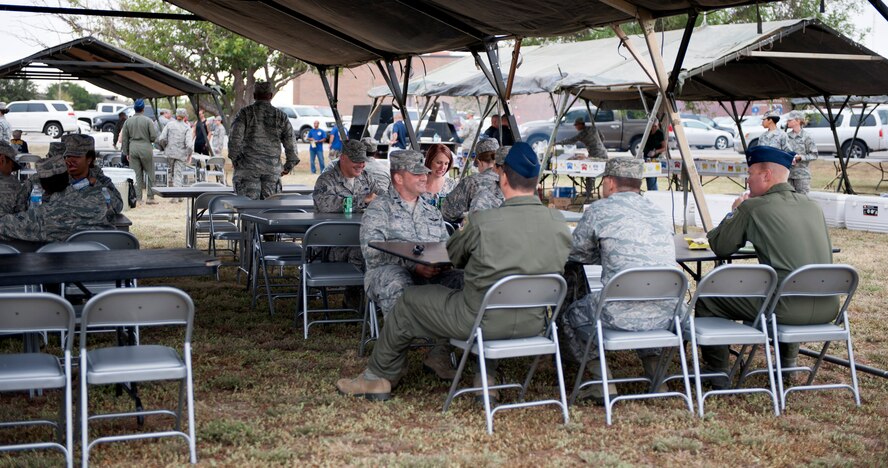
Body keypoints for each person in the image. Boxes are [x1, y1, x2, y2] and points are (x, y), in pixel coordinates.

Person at [335, 142, 572, 400]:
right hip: (534, 321)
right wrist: (417, 265)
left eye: (424, 172)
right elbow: (373, 252)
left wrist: (437, 264)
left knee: (422, 296)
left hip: (477, 318)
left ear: (503, 177)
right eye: (418, 173)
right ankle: (479, 375)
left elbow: (453, 253)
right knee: (406, 284)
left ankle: (382, 375)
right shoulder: (559, 223)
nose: (424, 177)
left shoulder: (476, 220)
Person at [699, 145, 837, 383]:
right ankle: (788, 366)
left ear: (766, 175)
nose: (747, 179)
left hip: (785, 310)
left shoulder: (753, 207)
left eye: (750, 173)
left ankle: (717, 372)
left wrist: (735, 212)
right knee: (788, 285)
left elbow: (720, 246)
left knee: (707, 296)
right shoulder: (812, 205)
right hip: (829, 306)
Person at [559, 157, 678, 402]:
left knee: (570, 315)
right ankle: (657, 377)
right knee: (646, 298)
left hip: (616, 313)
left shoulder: (600, 210)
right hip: (666, 313)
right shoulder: (658, 211)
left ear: (610, 182)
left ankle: (602, 381)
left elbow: (576, 253)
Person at [0, 142, 113, 242]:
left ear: (43, 186)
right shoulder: (100, 199)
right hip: (103, 255)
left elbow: (5, 226)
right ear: (67, 177)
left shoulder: (43, 216)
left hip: (64, 259)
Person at [228, 81, 300, 200]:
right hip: (272, 171)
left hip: (247, 170)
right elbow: (291, 146)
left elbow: (234, 142)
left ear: (254, 96)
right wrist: (287, 167)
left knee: (247, 208)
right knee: (269, 209)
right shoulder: (281, 116)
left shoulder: (244, 114)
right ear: (270, 95)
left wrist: (237, 162)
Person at [440, 138, 503, 223]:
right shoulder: (510, 179)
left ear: (479, 162)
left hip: (480, 230)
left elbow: (447, 212)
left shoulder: (471, 182)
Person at [64, 134, 124, 223]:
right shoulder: (56, 178)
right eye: (67, 156)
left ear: (89, 159)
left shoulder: (99, 178)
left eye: (76, 157)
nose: (70, 161)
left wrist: (96, 185)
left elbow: (118, 206)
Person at [313, 139, 380, 214]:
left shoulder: (367, 177)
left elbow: (382, 196)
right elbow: (325, 205)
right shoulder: (326, 180)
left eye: (363, 161)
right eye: (356, 161)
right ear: (343, 158)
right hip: (333, 222)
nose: (361, 165)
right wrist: (363, 200)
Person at [120, 99, 158, 205]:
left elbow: (124, 139)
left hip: (133, 148)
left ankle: (138, 198)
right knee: (150, 173)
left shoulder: (128, 121)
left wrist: (126, 152)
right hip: (146, 147)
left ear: (134, 108)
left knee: (136, 174)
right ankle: (150, 197)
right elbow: (153, 136)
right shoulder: (148, 121)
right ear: (143, 109)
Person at [157, 108, 194, 199]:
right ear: (184, 116)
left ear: (176, 115)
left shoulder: (169, 124)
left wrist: (165, 146)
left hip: (170, 153)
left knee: (170, 173)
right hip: (181, 154)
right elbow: (189, 145)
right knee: (178, 174)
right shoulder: (186, 127)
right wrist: (189, 154)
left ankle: (173, 194)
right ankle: (177, 196)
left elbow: (161, 138)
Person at [784, 110, 818, 194]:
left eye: (790, 120)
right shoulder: (786, 136)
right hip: (788, 175)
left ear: (798, 121)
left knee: (802, 199)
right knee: (789, 198)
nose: (787, 121)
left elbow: (814, 155)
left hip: (802, 175)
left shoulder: (807, 137)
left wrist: (801, 157)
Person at [641, 119, 667, 191]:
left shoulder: (659, 134)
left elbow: (664, 148)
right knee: (648, 177)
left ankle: (653, 191)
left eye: (655, 126)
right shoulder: (648, 132)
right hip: (646, 156)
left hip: (654, 158)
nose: (653, 128)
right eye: (652, 126)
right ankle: (651, 190)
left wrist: (655, 152)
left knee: (651, 176)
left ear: (658, 125)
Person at [0, 141, 22, 215]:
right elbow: (20, 211)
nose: (12, 169)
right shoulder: (12, 182)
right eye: (12, 164)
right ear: (2, 160)